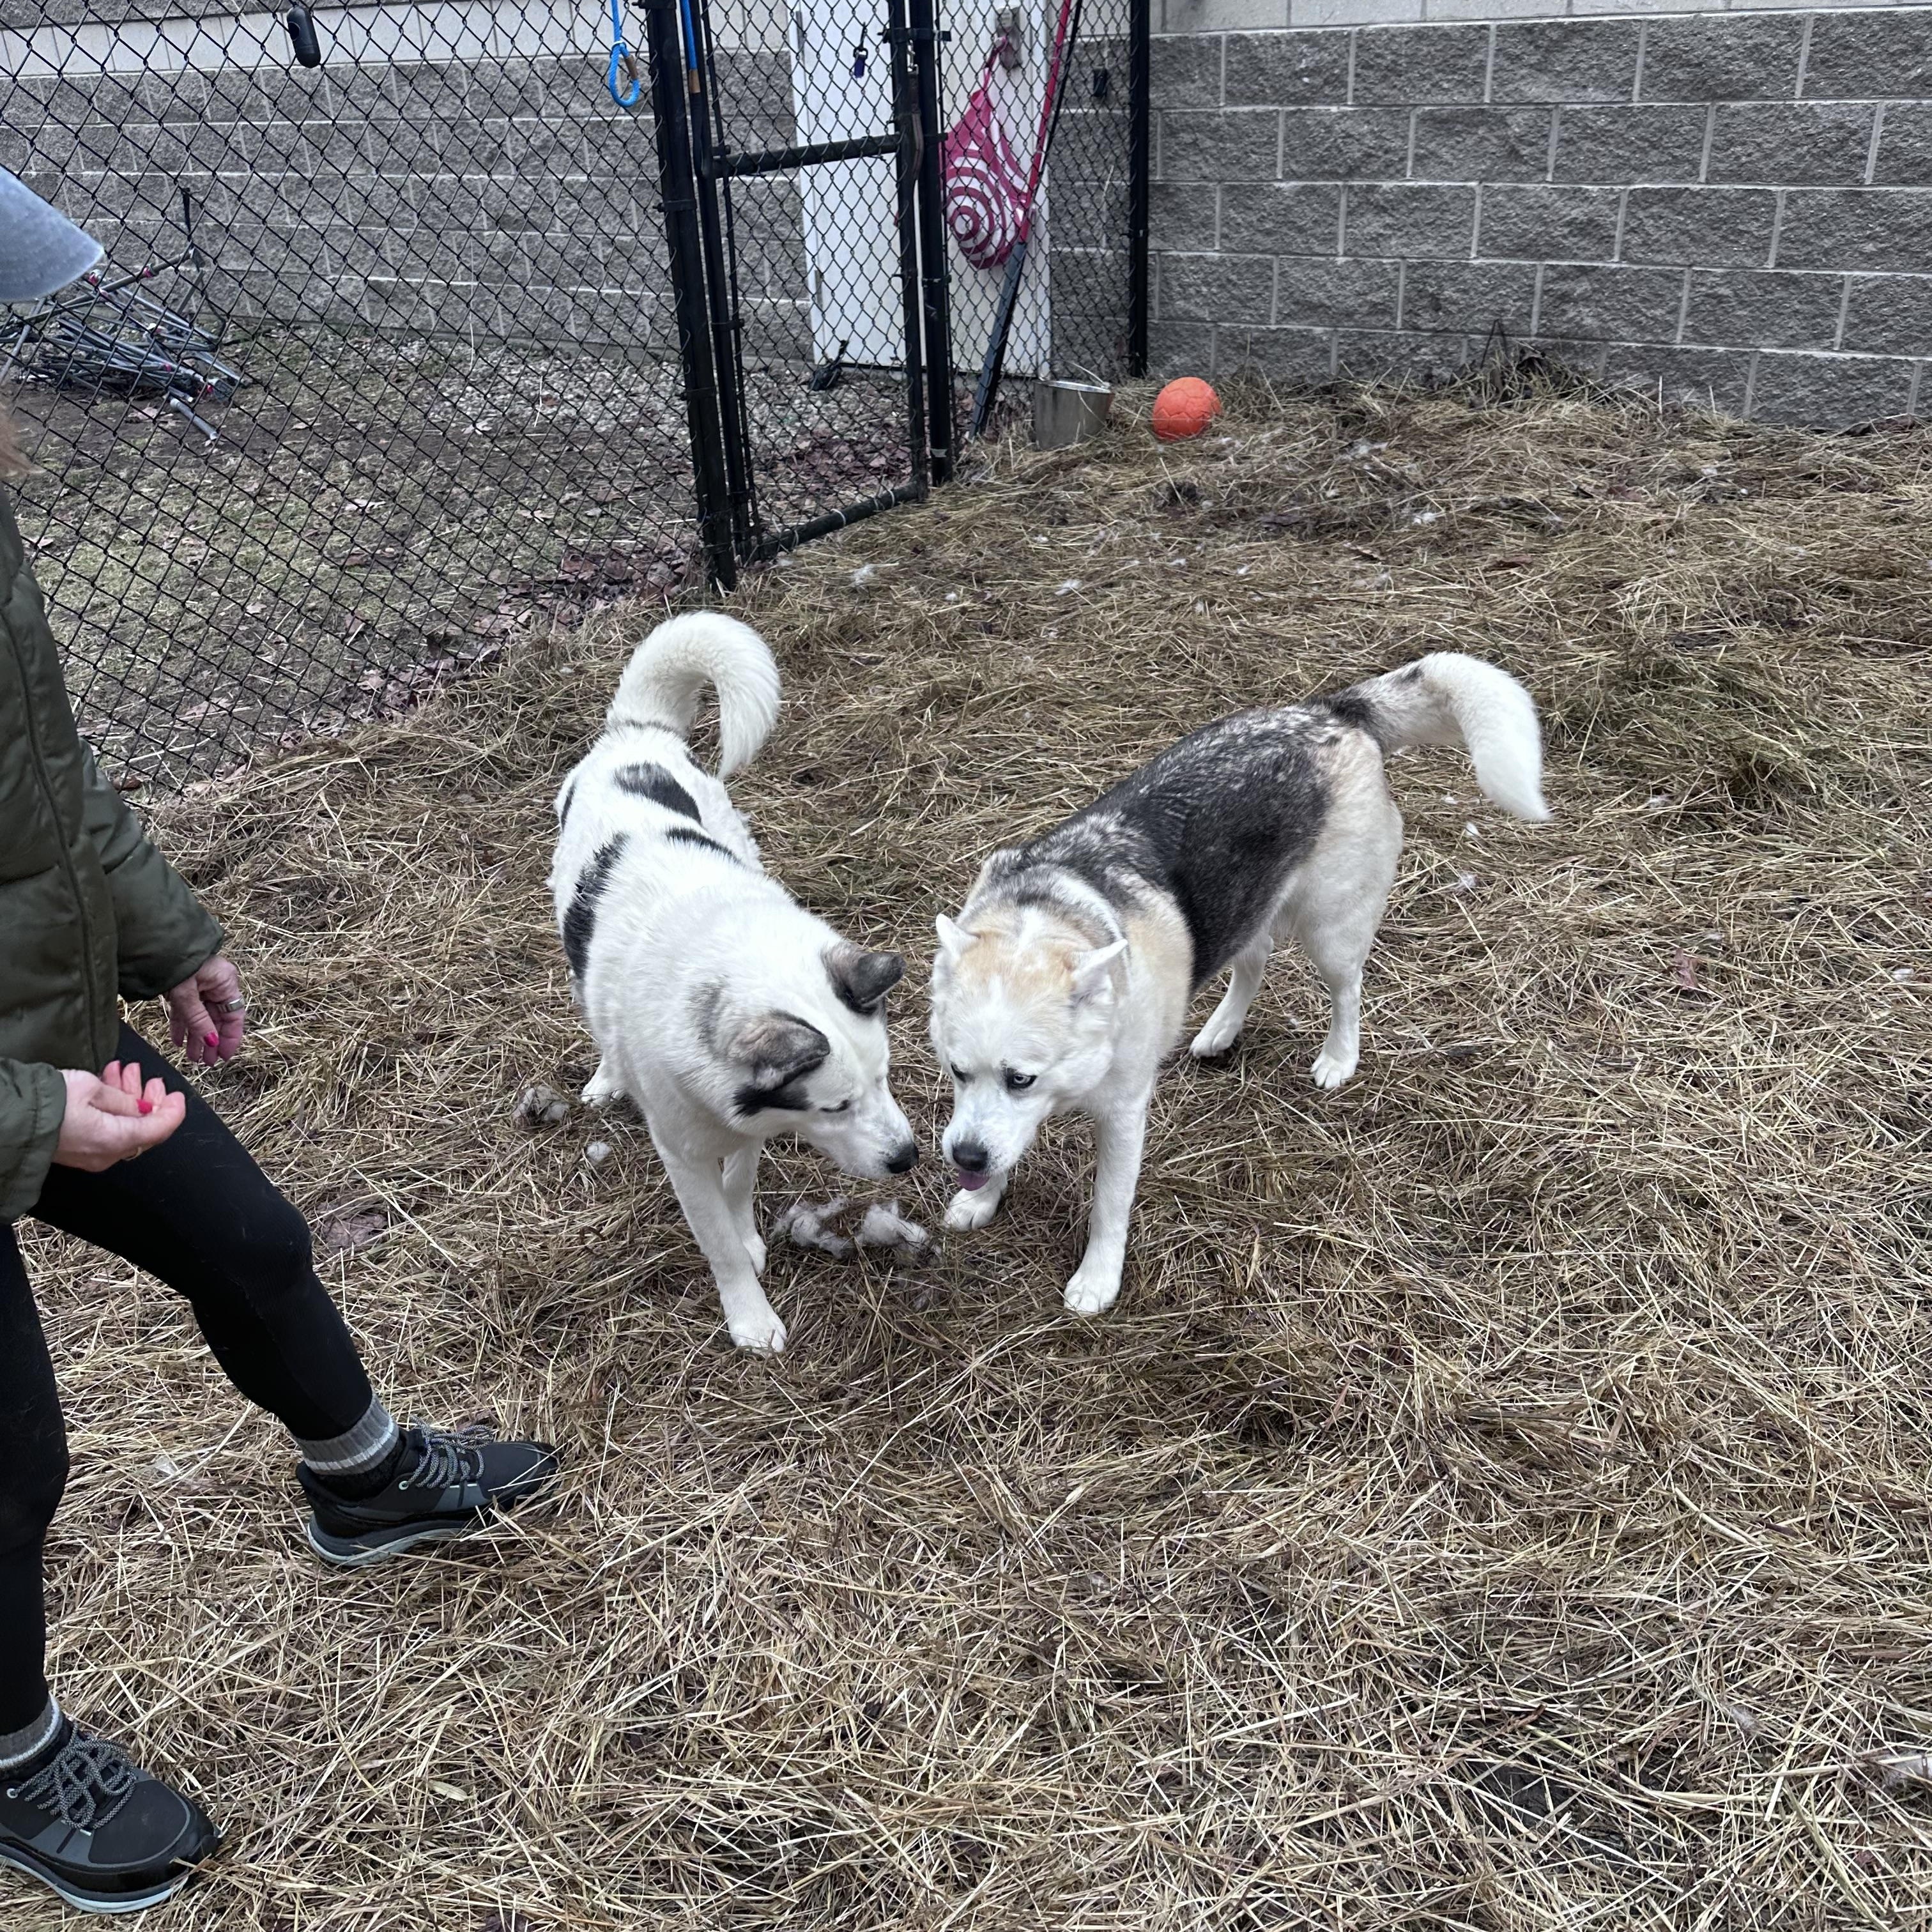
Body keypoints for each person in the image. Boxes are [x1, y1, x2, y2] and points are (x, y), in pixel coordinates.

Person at [0, 171, 558, 1916]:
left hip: (36, 1016)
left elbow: (47, 772)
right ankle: (9, 1762)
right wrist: (23, 1113)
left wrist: (167, 934)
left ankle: (368, 1481)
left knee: (243, 1231)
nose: (17, 361)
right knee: (9, 1445)